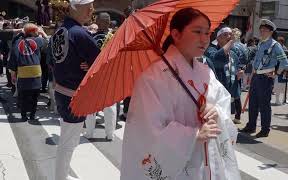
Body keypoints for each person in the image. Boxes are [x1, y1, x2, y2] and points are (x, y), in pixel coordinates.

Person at [121, 8, 240, 180]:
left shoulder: (205, 71)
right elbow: (146, 131)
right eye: (197, 31)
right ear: (176, 34)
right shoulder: (152, 78)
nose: (205, 39)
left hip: (209, 160)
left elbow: (223, 100)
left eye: (208, 33)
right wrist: (193, 135)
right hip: (179, 168)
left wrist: (216, 111)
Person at [51, 0, 100, 179]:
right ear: (73, 8)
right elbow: (100, 62)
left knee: (67, 138)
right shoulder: (80, 33)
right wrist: (91, 65)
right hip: (73, 95)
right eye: (87, 6)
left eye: (92, 6)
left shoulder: (60, 30)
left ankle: (61, 174)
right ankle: (60, 176)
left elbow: (53, 61)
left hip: (61, 91)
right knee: (68, 142)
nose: (91, 10)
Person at [240, 19, 288, 138]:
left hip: (266, 78)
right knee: (253, 103)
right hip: (256, 76)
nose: (261, 32)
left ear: (271, 32)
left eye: (264, 30)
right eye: (261, 30)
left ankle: (265, 129)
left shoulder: (275, 45)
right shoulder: (261, 43)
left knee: (264, 105)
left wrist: (276, 73)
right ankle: (251, 125)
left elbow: (284, 61)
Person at [84, 12, 117, 140]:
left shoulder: (92, 37)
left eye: (97, 20)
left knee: (91, 105)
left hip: (94, 74)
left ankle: (89, 133)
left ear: (101, 22)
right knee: (110, 106)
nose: (96, 22)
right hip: (109, 74)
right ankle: (110, 134)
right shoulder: (114, 38)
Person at [204, 27, 247, 125]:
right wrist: (231, 41)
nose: (229, 37)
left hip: (228, 94)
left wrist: (239, 73)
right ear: (218, 38)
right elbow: (217, 60)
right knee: (215, 121)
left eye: (230, 34)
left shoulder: (233, 55)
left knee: (225, 121)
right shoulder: (211, 50)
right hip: (215, 95)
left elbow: (236, 69)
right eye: (225, 35)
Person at [7, 23, 48, 121]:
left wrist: (13, 74)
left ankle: (24, 116)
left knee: (23, 96)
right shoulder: (38, 40)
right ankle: (32, 115)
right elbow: (48, 42)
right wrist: (43, 33)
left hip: (23, 71)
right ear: (33, 31)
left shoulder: (18, 42)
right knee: (35, 96)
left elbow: (13, 58)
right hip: (36, 71)